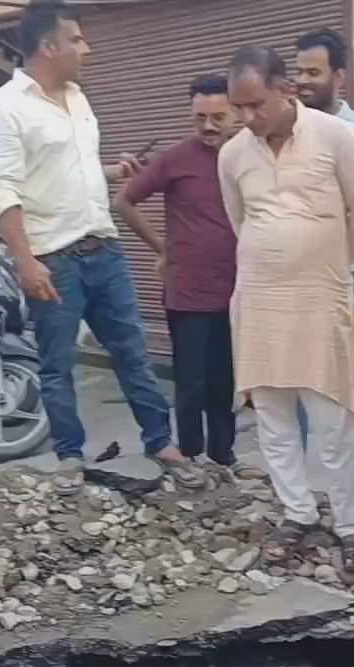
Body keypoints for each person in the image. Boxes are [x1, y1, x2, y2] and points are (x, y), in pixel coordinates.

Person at [0, 0, 202, 495]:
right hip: (53, 260)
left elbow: (63, 175)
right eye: (77, 39)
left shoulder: (78, 98)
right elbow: (3, 190)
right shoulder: (3, 108)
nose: (87, 49)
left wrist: (113, 173)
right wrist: (25, 261)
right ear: (48, 46)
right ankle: (70, 458)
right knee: (58, 366)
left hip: (105, 249)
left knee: (133, 354)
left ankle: (160, 443)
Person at [217, 46, 354, 577]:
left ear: (285, 88)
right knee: (273, 417)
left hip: (321, 297)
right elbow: (241, 222)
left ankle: (353, 526)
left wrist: (322, 262)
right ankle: (297, 512)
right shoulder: (233, 155)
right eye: (237, 107)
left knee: (333, 416)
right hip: (260, 301)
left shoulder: (336, 137)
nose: (246, 117)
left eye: (255, 104)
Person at [112, 74, 267, 482]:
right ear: (190, 116)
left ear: (234, 112)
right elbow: (124, 201)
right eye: (200, 118)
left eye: (218, 116)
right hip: (188, 294)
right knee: (192, 383)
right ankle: (192, 457)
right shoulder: (175, 159)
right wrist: (162, 248)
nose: (209, 126)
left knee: (227, 381)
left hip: (237, 291)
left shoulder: (250, 154)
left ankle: (225, 456)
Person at [294, 28, 354, 498]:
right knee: (301, 372)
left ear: (340, 76)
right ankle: (315, 469)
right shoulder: (288, 130)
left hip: (352, 270)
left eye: (314, 72)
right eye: (299, 72)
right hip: (299, 274)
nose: (303, 81)